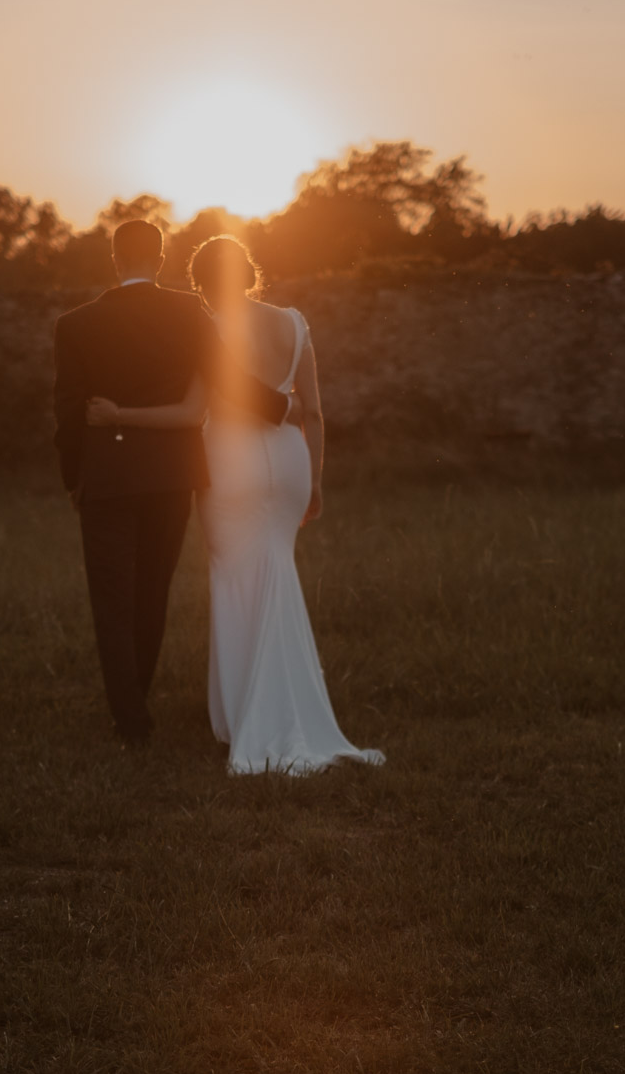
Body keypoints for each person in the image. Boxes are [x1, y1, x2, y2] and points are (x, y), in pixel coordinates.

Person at [85, 236, 383, 775]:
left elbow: (202, 405)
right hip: (291, 464)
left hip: (231, 462)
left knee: (232, 579)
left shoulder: (208, 328)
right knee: (278, 573)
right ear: (248, 272)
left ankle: (243, 716)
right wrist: (314, 483)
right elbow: (314, 413)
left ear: (200, 283)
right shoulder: (295, 322)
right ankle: (283, 704)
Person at [52, 221, 293, 746]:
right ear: (159, 259)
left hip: (108, 478)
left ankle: (131, 719)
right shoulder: (190, 312)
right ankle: (134, 697)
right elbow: (229, 377)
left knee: (112, 598)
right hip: (171, 477)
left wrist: (76, 477)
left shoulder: (75, 325)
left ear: (115, 259)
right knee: (152, 591)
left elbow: (68, 414)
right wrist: (285, 407)